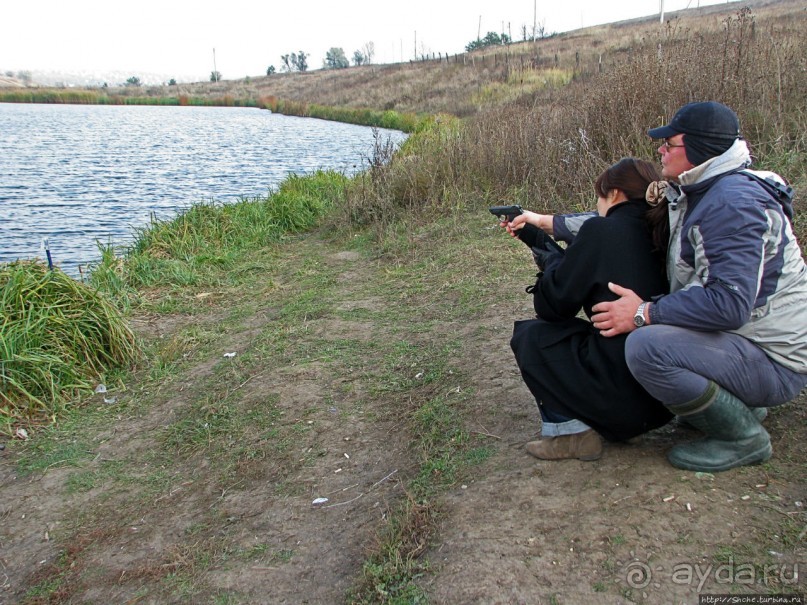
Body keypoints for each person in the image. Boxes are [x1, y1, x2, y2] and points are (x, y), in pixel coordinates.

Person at [589, 101, 807, 472]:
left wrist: (644, 312)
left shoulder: (731, 205)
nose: (660, 150)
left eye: (669, 143)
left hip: (774, 359)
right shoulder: (707, 189)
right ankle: (735, 406)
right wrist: (549, 224)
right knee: (656, 334)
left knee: (646, 347)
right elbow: (631, 223)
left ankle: (742, 438)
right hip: (753, 341)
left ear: (698, 149)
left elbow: (729, 305)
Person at [505, 158, 673, 462]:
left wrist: (547, 255)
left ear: (615, 194)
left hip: (622, 404)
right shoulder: (663, 231)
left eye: (598, 196)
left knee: (532, 336)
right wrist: (541, 241)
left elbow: (552, 307)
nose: (596, 205)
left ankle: (570, 434)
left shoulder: (602, 230)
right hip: (664, 401)